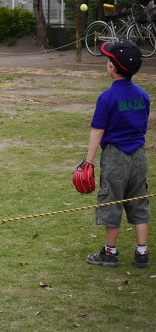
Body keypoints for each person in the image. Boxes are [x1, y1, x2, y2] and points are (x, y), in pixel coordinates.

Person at [83, 40, 150, 269]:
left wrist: (88, 162)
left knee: (112, 201)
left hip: (115, 156)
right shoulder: (143, 95)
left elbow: (98, 130)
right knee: (139, 200)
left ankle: (110, 253)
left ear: (112, 67)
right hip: (139, 156)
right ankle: (142, 252)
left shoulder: (107, 97)